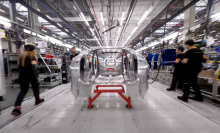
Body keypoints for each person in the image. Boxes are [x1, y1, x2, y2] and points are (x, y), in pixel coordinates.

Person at [12, 43, 44, 116]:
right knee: (35, 86)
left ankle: (17, 108)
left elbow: (19, 67)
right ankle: (37, 99)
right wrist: (37, 76)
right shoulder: (32, 57)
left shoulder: (21, 57)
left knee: (23, 90)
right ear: (33, 51)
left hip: (22, 75)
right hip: (31, 74)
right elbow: (34, 67)